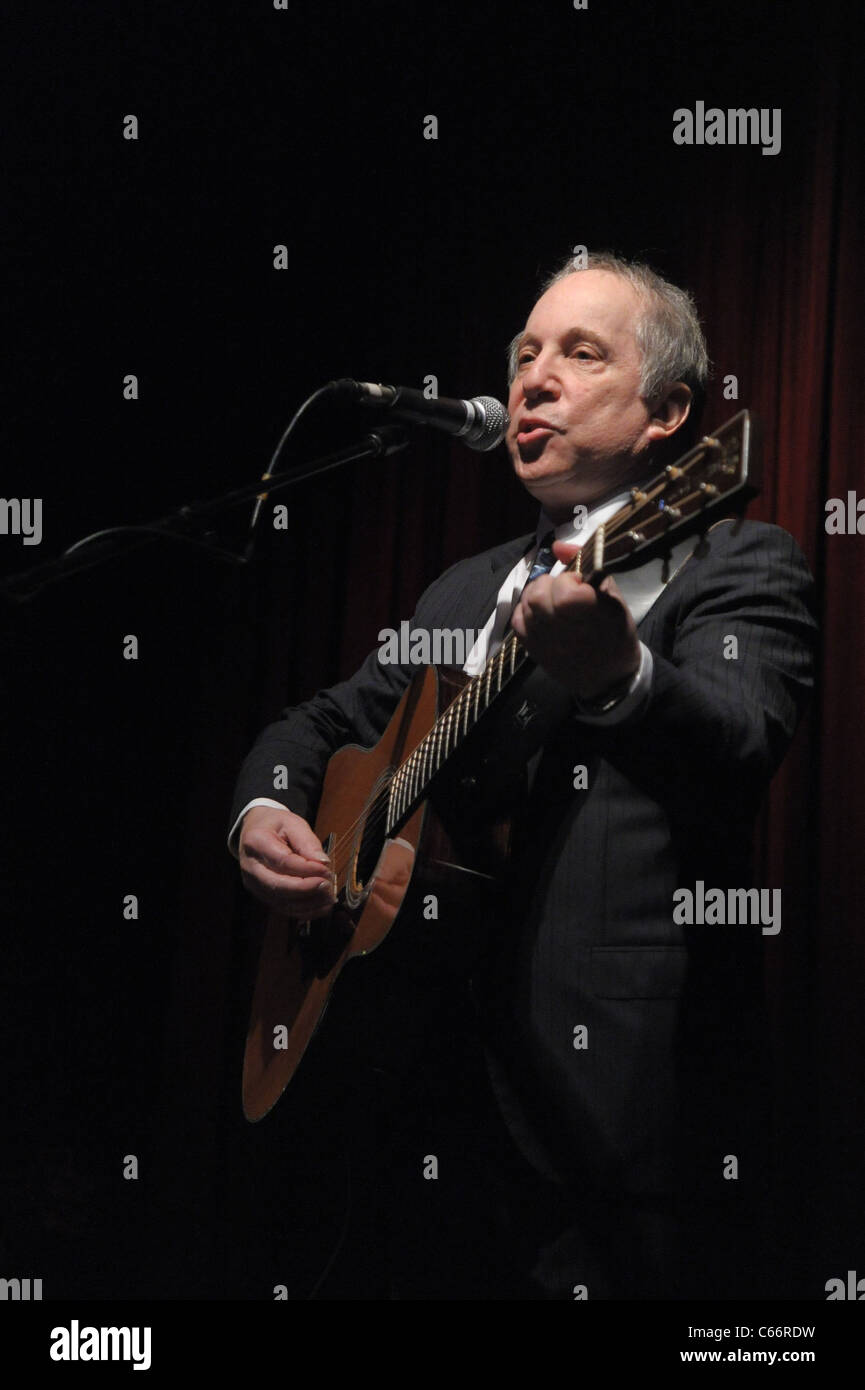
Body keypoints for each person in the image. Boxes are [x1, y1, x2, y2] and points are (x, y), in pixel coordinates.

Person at [229, 251, 816, 1299]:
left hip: (612, 1118)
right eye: (524, 354)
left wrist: (620, 678)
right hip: (414, 1096)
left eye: (579, 354)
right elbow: (320, 723)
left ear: (669, 413)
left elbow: (743, 741)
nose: (530, 379)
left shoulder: (734, 558)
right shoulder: (465, 590)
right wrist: (265, 810)